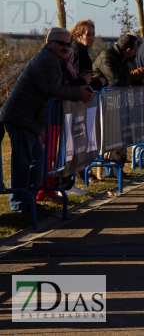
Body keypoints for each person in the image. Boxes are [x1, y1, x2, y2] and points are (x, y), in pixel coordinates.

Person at [0, 28, 94, 212]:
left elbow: (58, 86)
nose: (65, 48)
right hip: (21, 117)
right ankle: (19, 204)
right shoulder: (47, 61)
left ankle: (29, 199)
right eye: (61, 44)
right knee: (23, 162)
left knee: (38, 160)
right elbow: (51, 89)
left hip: (31, 118)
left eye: (68, 44)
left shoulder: (55, 60)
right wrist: (78, 93)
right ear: (49, 43)